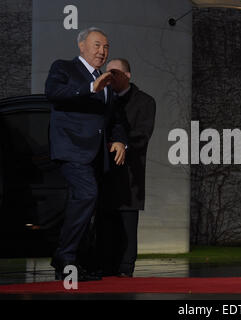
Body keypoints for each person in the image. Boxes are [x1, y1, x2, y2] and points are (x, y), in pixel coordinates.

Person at [45, 27, 128, 281]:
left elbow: (115, 118)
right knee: (87, 194)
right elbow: (54, 94)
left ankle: (72, 264)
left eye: (106, 47)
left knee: (86, 204)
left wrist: (120, 141)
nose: (102, 51)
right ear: (81, 45)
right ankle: (64, 257)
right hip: (71, 149)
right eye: (97, 45)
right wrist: (91, 86)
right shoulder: (64, 68)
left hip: (95, 155)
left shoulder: (106, 80)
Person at [99, 58, 156, 277]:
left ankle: (125, 270)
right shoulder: (104, 99)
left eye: (114, 72)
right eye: (107, 73)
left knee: (127, 226)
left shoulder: (145, 102)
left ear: (128, 75)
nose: (109, 77)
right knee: (105, 225)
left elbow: (143, 135)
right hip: (105, 173)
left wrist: (121, 144)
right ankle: (105, 267)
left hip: (129, 175)